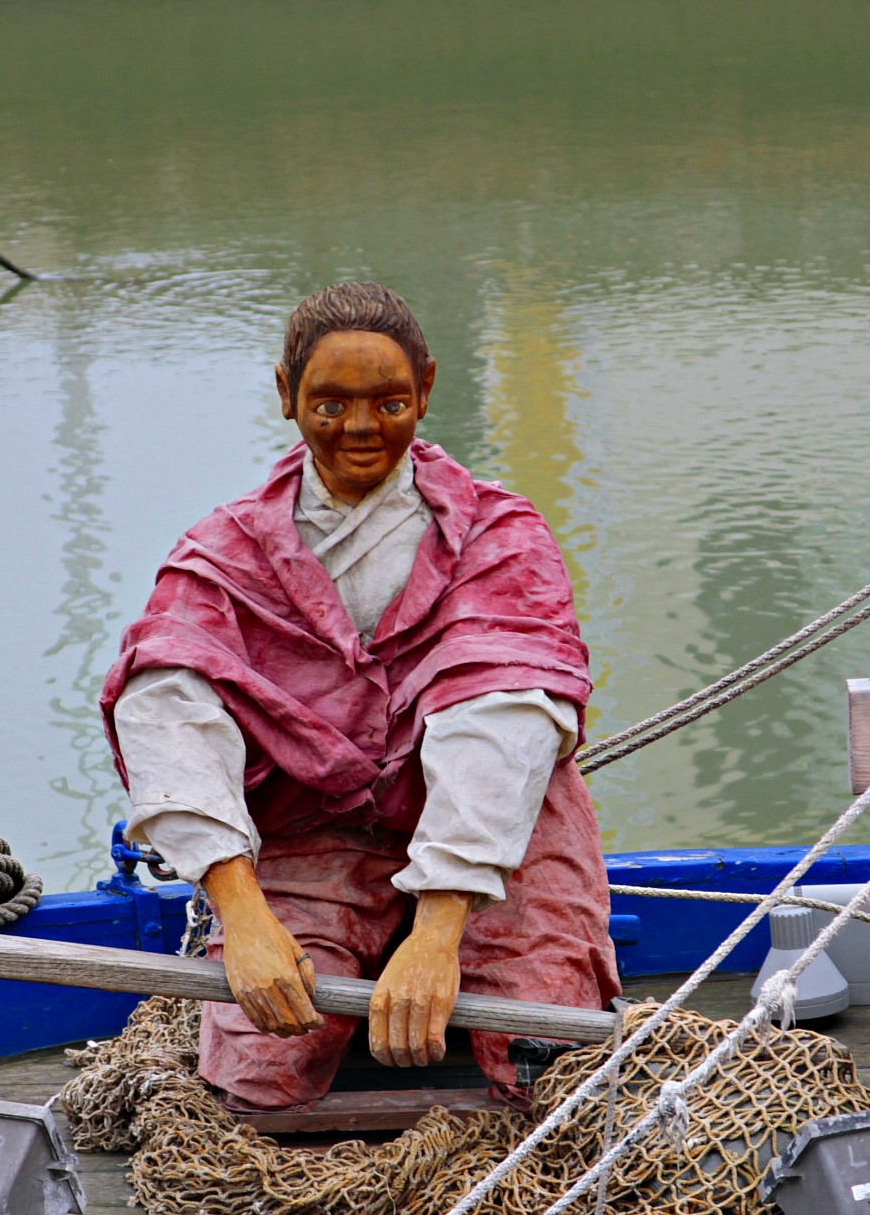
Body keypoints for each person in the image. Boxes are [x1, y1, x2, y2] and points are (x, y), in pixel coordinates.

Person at [101, 282, 620, 1111]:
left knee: (548, 1059)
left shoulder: (499, 536)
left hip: (503, 834)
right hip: (315, 829)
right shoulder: (225, 555)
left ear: (427, 389)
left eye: (389, 402)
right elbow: (167, 703)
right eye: (330, 404)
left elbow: (503, 718)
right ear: (286, 395)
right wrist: (244, 916)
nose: (360, 427)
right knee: (259, 1073)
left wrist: (437, 932)